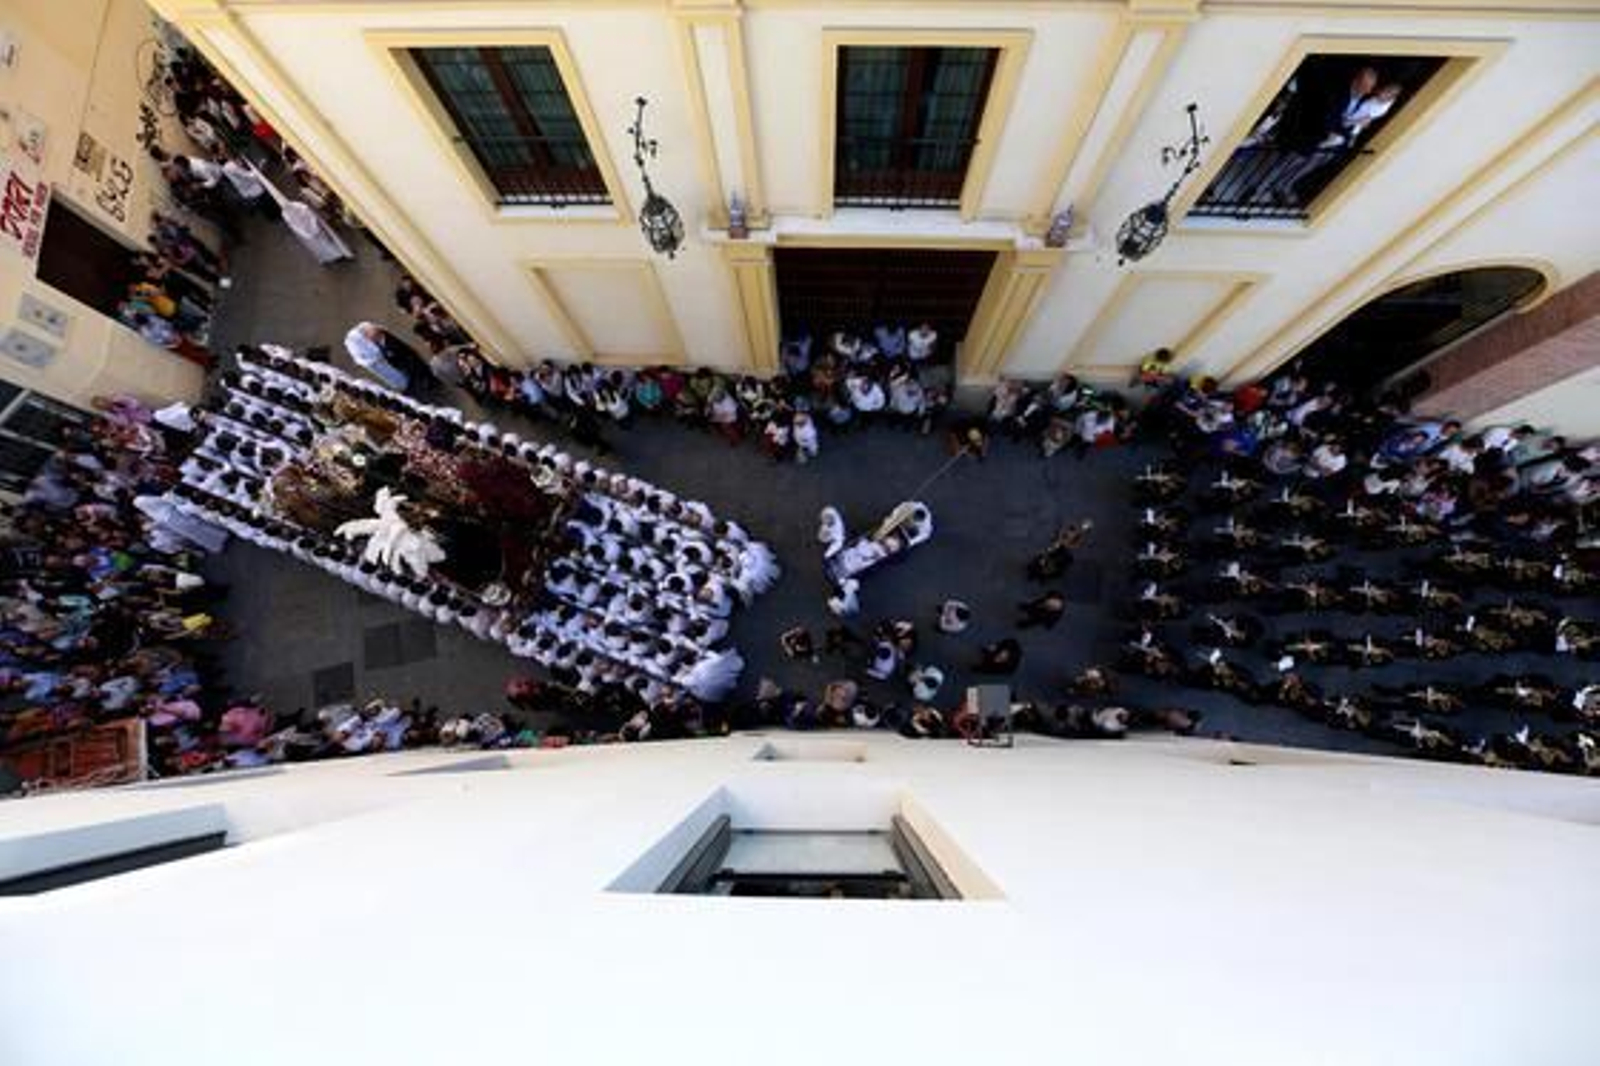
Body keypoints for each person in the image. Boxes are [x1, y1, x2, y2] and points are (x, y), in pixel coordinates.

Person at [343, 321, 409, 391]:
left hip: (385, 357)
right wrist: (374, 359)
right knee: (394, 376)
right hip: (377, 363)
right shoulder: (353, 341)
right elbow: (359, 360)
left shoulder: (366, 328)